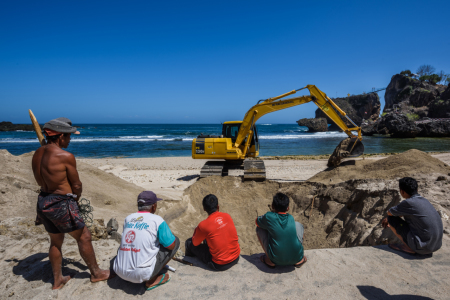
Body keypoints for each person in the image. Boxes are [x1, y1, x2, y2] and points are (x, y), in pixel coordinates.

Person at [32, 117, 111, 290]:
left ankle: (57, 279)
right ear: (60, 137)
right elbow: (76, 185)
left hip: (44, 201)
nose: (70, 139)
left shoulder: (37, 153)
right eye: (68, 136)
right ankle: (96, 273)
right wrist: (75, 198)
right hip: (61, 202)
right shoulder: (65, 156)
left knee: (55, 241)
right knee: (84, 237)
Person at [113, 191, 180, 290]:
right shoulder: (157, 220)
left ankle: (129, 271)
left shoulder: (128, 218)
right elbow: (171, 246)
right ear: (154, 206)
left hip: (119, 271)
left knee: (127, 243)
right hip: (141, 275)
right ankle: (152, 279)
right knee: (175, 241)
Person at [382, 177, 443, 255]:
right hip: (435, 246)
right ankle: (414, 244)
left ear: (402, 191)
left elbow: (390, 212)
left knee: (391, 219)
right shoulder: (425, 201)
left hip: (422, 247)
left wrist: (387, 218)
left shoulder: (408, 203)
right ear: (417, 190)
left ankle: (409, 247)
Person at [185, 194, 240, 271]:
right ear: (218, 206)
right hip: (236, 258)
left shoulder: (203, 225)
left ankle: (189, 263)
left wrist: (197, 230)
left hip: (219, 264)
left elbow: (195, 243)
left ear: (204, 209)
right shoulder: (227, 216)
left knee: (188, 243)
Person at [255, 192, 306, 268]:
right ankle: (299, 260)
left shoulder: (269, 216)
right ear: (288, 208)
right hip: (297, 257)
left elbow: (257, 222)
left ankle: (270, 261)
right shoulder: (291, 218)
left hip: (275, 259)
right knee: (298, 225)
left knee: (259, 229)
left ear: (272, 206)